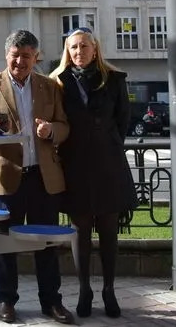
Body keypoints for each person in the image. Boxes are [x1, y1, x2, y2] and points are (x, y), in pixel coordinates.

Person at [0, 30, 73, 325]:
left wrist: (51, 131)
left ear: (36, 57)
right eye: (15, 55)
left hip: (43, 178)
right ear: (7, 55)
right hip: (5, 178)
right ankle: (6, 300)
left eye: (26, 56)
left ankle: (52, 302)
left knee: (46, 242)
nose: (20, 61)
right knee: (4, 243)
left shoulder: (49, 86)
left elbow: (64, 125)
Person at [49, 27, 136, 319]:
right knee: (80, 231)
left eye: (83, 46)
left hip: (108, 164)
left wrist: (106, 145)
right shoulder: (58, 82)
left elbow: (123, 122)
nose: (78, 52)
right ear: (67, 51)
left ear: (95, 49)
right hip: (74, 166)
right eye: (73, 47)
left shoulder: (115, 80)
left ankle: (109, 290)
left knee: (109, 230)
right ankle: (84, 289)